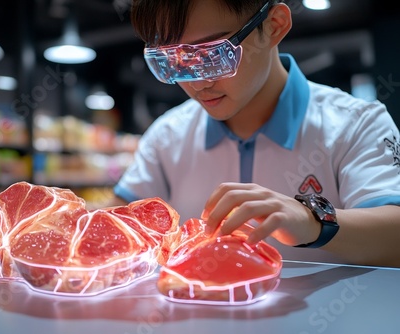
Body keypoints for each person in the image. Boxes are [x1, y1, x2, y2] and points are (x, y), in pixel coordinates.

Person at [106, 0, 400, 267]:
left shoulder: (357, 124)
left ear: (274, 26)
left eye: (214, 55)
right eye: (175, 61)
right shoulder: (167, 135)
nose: (198, 83)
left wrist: (313, 221)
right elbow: (117, 222)